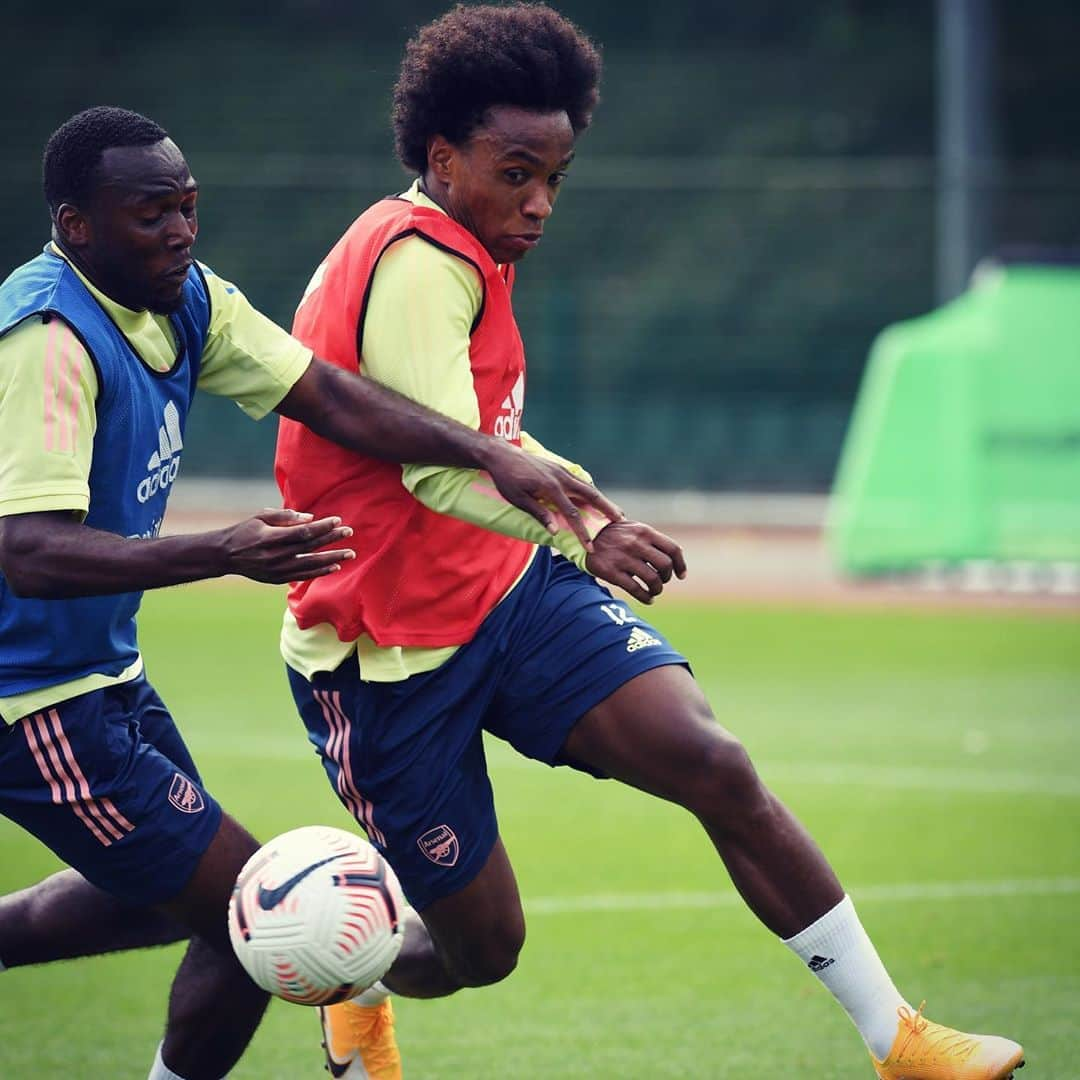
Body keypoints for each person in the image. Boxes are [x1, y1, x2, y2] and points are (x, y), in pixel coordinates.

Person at [276, 6, 1026, 1080]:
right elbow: (438, 469)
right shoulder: (416, 263)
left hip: (500, 592)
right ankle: (352, 979)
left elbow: (489, 439)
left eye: (556, 179)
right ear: (442, 160)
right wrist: (587, 536)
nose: (539, 203)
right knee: (483, 951)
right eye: (516, 172)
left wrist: (593, 510)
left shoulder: (467, 246)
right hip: (383, 653)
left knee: (712, 764)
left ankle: (899, 1038)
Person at [0, 105, 623, 1080]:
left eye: (188, 208)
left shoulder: (187, 300)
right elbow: (28, 554)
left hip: (100, 673)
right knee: (253, 915)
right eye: (150, 213)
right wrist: (224, 552)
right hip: (29, 694)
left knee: (159, 898)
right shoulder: (48, 338)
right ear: (76, 225)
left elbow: (328, 393)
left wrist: (490, 457)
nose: (178, 231)